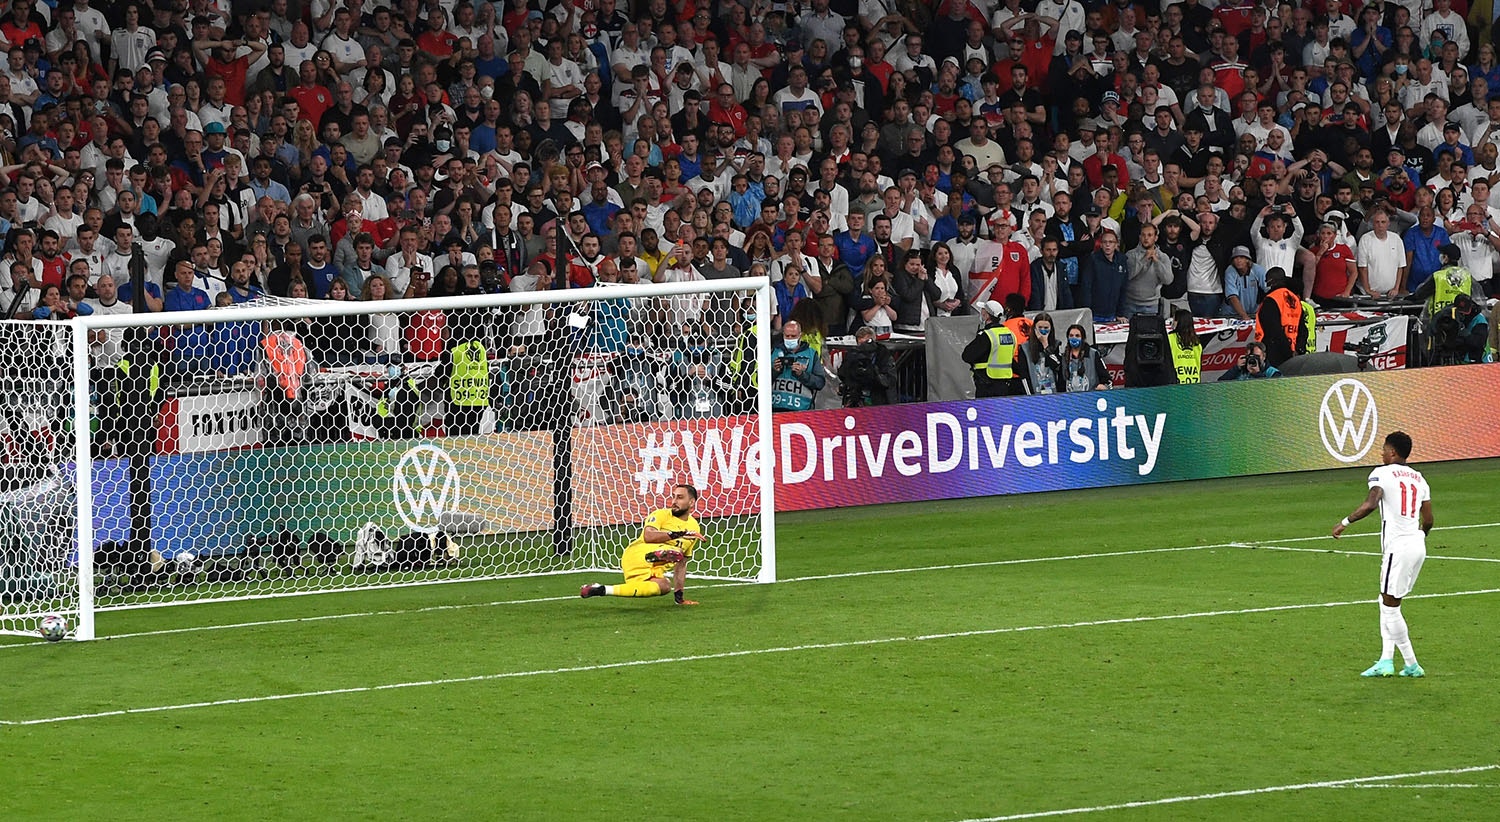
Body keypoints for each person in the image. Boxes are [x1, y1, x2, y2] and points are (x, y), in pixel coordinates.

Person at [1332, 431, 1432, 679]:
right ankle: (1386, 660)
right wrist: (1418, 537)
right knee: (1386, 600)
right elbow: (1428, 520)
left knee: (1391, 608)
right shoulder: (1419, 478)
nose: (1381, 453)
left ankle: (1411, 664)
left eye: (1384, 450)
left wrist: (1344, 522)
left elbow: (1370, 503)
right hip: (1417, 545)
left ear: (1393, 452)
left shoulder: (1382, 473)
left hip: (1398, 548)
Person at [579, 483, 704, 606]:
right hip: (637, 555)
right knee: (676, 551)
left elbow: (682, 564)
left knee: (664, 586)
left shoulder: (694, 528)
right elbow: (648, 536)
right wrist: (679, 534)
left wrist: (679, 597)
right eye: (673, 496)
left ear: (691, 502)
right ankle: (658, 555)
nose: (674, 501)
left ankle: (600, 589)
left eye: (680, 497)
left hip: (651, 569)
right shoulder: (660, 514)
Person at [962, 299, 1022, 398]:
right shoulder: (1010, 334)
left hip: (987, 383)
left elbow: (967, 356)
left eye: (983, 311)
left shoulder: (987, 335)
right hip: (1005, 383)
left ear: (987, 315)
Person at [770, 319, 826, 412]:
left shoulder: (811, 354)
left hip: (801, 411)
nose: (790, 339)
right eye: (787, 336)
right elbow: (759, 381)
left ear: (800, 335)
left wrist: (802, 375)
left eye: (793, 336)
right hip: (774, 409)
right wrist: (774, 371)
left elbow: (820, 383)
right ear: (783, 335)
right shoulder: (773, 352)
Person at [1254, 270, 1307, 367]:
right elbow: (1303, 329)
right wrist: (1298, 350)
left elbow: (1274, 331)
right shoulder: (1296, 299)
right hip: (1294, 352)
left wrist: (1288, 353)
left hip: (1275, 354)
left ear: (1271, 282)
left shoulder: (1270, 299)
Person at [836, 325, 897, 407]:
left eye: (866, 343)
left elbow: (890, 380)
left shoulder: (883, 355)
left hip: (880, 400)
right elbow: (843, 375)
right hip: (857, 399)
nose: (863, 347)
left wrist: (874, 374)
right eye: (860, 344)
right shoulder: (852, 355)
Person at [1018, 312, 1062, 395]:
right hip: (1034, 393)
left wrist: (1045, 345)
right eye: (1040, 327)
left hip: (1053, 393)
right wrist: (1029, 395)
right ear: (1034, 328)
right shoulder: (1024, 348)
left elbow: (1057, 366)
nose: (1043, 330)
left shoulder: (1056, 345)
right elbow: (1024, 376)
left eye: (1046, 328)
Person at [1059, 323, 1111, 392]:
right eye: (1071, 335)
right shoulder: (1064, 357)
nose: (1074, 338)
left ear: (1083, 338)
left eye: (1077, 336)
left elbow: (1106, 379)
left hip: (1091, 395)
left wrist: (1104, 386)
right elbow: (1061, 383)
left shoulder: (1093, 354)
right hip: (1070, 396)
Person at [1166, 308, 1202, 384]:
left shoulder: (1170, 338)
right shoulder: (1197, 342)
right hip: (1194, 381)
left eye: (1174, 320)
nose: (1172, 323)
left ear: (1178, 322)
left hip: (1175, 381)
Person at [1217, 340, 1283, 380]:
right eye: (1250, 356)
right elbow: (1220, 384)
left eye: (1257, 356)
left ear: (1264, 356)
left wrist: (1257, 374)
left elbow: (1274, 392)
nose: (1253, 359)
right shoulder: (1241, 371)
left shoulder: (1273, 373)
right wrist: (1236, 368)